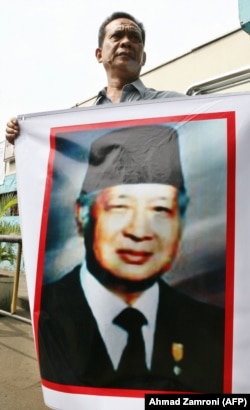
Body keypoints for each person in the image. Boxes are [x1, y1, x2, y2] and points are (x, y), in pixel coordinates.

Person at [38, 125, 225, 392]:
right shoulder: (47, 311)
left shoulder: (213, 327)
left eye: (160, 209)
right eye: (120, 207)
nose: (139, 231)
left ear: (181, 219)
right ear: (82, 215)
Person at [5, 11, 183, 145]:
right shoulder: (77, 125)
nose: (126, 42)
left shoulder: (177, 106)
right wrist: (24, 140)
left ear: (143, 58)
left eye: (135, 38)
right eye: (117, 36)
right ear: (99, 54)